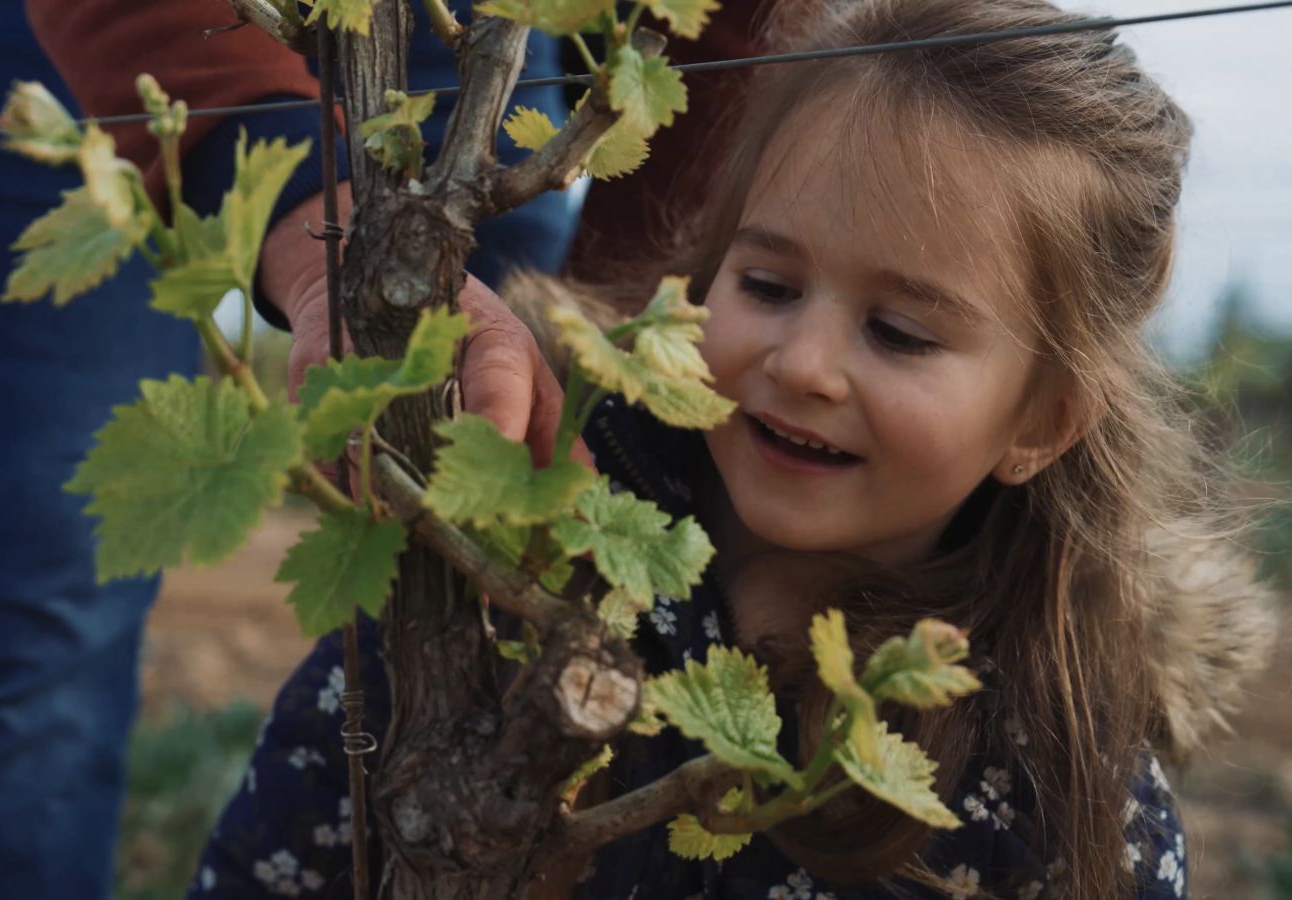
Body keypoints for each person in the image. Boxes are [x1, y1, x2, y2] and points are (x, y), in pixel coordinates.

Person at [190, 0, 1279, 897]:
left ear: (1040, 422)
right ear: (699, 277)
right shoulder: (511, 568)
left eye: (899, 333)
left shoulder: (1063, 788)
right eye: (765, 285)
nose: (803, 361)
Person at [0, 0, 583, 896]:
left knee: (521, 499)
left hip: (479, 27)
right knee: (42, 566)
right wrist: (328, 254)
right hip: (89, 32)